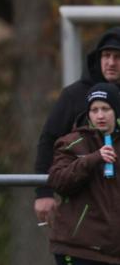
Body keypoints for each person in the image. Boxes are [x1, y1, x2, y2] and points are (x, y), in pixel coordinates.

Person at [47, 84, 120, 265]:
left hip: (114, 247)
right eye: (95, 110)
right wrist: (92, 160)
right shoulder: (73, 143)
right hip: (79, 245)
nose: (100, 115)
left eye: (106, 109)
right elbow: (59, 180)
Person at [35, 28, 120, 224]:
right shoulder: (73, 96)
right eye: (106, 55)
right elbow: (48, 141)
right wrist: (43, 191)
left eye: (117, 56)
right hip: (84, 205)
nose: (111, 62)